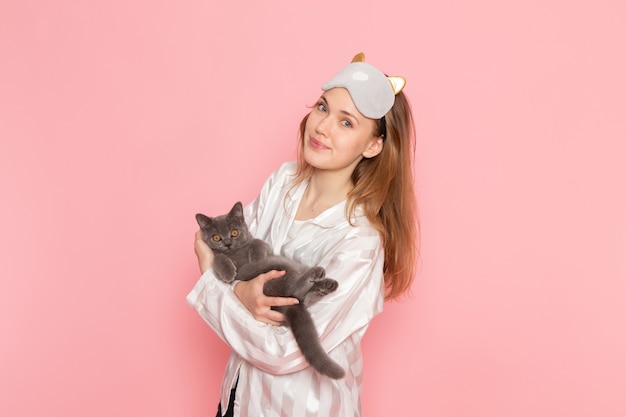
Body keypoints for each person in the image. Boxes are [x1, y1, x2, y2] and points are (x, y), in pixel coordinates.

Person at [187, 52, 420, 417]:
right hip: (239, 398)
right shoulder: (283, 182)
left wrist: (213, 281)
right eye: (323, 107)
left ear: (373, 145)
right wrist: (240, 292)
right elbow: (230, 254)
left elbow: (284, 351)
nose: (323, 127)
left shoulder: (359, 242)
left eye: (346, 122)